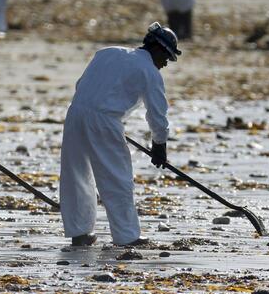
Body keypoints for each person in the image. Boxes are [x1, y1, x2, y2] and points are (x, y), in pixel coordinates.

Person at [59, 22, 180, 248]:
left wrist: (97, 116)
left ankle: (80, 232)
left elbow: (82, 85)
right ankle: (127, 236)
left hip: (76, 112)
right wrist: (159, 145)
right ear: (158, 48)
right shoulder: (149, 72)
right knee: (117, 178)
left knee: (75, 173)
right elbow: (157, 113)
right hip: (104, 120)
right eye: (167, 58)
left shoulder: (108, 53)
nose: (165, 64)